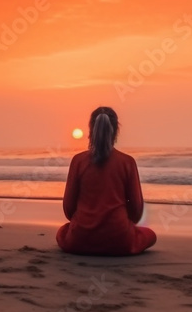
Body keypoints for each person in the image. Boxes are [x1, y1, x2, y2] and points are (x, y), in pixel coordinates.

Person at [56, 106, 157, 256]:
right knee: (150, 234)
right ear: (115, 131)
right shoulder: (127, 162)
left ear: (91, 130)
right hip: (119, 240)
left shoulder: (78, 161)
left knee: (62, 232)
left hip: (80, 239)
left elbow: (68, 209)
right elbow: (136, 210)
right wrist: (123, 224)